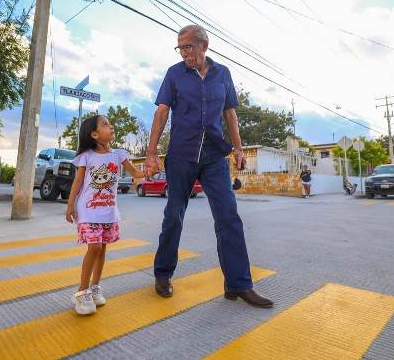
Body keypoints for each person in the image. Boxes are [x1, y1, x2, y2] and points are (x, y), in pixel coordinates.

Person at [145, 24, 273, 308]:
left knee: (229, 217)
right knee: (174, 216)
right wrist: (151, 153)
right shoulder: (174, 74)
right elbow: (162, 112)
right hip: (181, 154)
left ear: (204, 45)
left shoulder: (222, 74)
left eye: (188, 47)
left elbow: (230, 113)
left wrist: (238, 148)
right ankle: (163, 274)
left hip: (214, 156)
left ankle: (239, 285)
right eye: (180, 48)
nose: (183, 53)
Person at [66, 115, 144, 315]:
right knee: (94, 247)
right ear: (94, 134)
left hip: (108, 212)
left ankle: (95, 287)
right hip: (88, 210)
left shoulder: (118, 155)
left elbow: (136, 173)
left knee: (102, 250)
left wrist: (151, 170)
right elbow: (77, 183)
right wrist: (70, 205)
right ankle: (81, 292)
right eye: (105, 124)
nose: (111, 126)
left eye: (109, 124)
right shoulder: (87, 156)